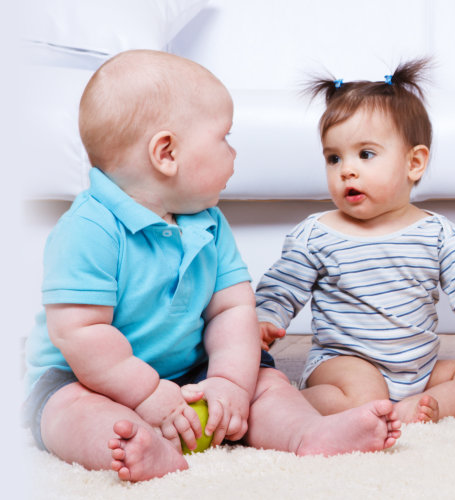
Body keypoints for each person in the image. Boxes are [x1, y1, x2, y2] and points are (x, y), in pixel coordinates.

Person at [22, 50, 400, 482]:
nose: (233, 153)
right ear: (166, 153)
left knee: (264, 384)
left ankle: (307, 434)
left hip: (191, 369)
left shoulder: (207, 222)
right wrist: (144, 393)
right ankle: (134, 447)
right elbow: (80, 332)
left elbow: (232, 309)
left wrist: (229, 385)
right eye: (224, 138)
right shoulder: (88, 230)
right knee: (67, 414)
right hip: (87, 377)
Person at [253, 59, 455, 425]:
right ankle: (288, 403)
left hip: (418, 369)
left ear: (415, 163)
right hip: (344, 368)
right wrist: (264, 320)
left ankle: (424, 407)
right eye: (333, 158)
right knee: (364, 391)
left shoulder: (437, 233)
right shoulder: (316, 234)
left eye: (366, 154)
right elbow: (280, 289)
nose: (346, 169)